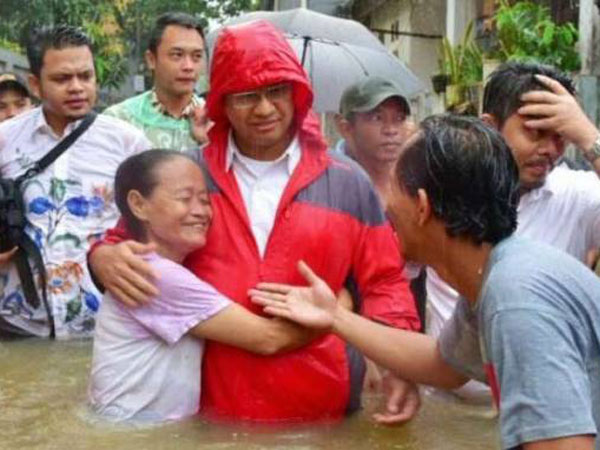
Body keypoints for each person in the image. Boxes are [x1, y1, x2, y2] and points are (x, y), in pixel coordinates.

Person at [88, 20, 420, 424]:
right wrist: (101, 258)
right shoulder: (185, 178)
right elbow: (126, 241)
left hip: (326, 405)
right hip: (209, 410)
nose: (264, 109)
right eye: (246, 96)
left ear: (297, 94)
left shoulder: (348, 181)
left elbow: (384, 280)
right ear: (222, 102)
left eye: (277, 91)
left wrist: (400, 365)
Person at [252, 115, 600, 450]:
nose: (387, 205)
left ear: (421, 206)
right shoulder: (494, 277)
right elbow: (444, 366)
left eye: (394, 188)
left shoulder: (516, 300)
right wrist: (336, 318)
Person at [90, 150, 345, 423]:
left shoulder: (148, 265)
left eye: (204, 200)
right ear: (139, 205)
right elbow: (269, 339)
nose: (201, 212)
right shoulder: (158, 275)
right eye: (185, 199)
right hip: (135, 433)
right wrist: (340, 308)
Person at [425, 62, 600, 401]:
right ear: (489, 128)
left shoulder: (578, 197)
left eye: (561, 136)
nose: (551, 149)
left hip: (551, 410)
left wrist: (589, 137)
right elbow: (392, 280)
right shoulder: (441, 192)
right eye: (536, 132)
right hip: (448, 407)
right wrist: (395, 373)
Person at [0, 25, 149, 339]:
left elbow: (157, 221)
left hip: (104, 323)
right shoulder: (5, 140)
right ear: (35, 84)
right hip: (16, 324)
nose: (77, 87)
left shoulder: (128, 143)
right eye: (62, 79)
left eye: (86, 76)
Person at [103, 12, 209, 150]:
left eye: (197, 56)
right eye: (177, 55)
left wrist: (209, 143)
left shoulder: (218, 120)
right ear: (151, 60)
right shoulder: (119, 120)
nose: (188, 66)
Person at [333, 76, 413, 209]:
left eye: (399, 118)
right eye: (377, 118)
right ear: (346, 128)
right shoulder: (328, 186)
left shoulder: (416, 180)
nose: (391, 130)